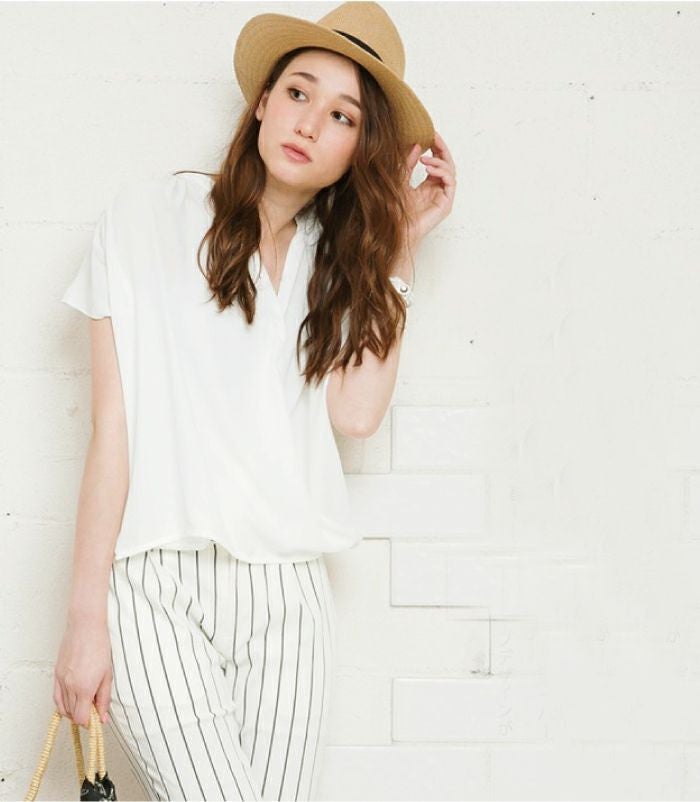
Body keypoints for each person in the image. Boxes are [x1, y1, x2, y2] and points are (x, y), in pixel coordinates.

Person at [53, 2, 456, 800]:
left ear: (358, 151)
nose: (309, 123)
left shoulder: (336, 266)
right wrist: (83, 620)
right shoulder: (146, 219)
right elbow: (112, 428)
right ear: (264, 100)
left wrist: (402, 251)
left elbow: (355, 415)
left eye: (341, 116)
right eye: (299, 92)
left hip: (288, 603)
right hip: (154, 585)